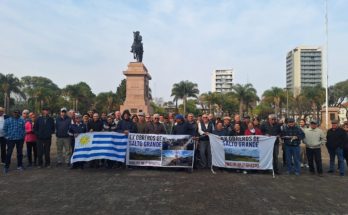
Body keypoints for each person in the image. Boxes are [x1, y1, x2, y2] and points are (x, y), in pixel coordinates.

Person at [3, 110, 25, 174]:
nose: (15, 114)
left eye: (17, 113)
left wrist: (23, 136)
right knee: (9, 153)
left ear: (18, 113)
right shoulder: (7, 120)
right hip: (10, 139)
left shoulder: (21, 120)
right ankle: (6, 167)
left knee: (20, 153)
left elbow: (24, 129)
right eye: (14, 113)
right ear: (12, 113)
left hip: (20, 139)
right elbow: (4, 129)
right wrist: (7, 136)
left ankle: (19, 165)